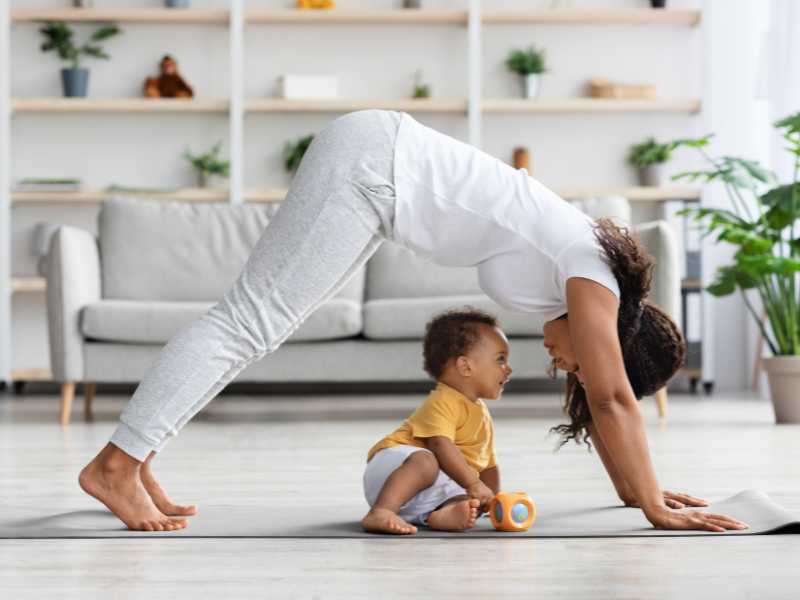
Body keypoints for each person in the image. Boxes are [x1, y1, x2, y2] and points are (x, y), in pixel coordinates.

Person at [79, 109, 748, 533]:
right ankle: (116, 465)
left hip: (379, 179)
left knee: (256, 327)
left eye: (567, 366)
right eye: (572, 360)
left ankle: (136, 462)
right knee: (248, 324)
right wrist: (658, 510)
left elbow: (597, 404)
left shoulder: (582, 286)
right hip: (374, 168)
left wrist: (642, 492)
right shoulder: (591, 276)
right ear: (615, 340)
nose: (558, 362)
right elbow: (610, 397)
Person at [362, 309, 509, 535]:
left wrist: (492, 499)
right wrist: (474, 485)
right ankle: (381, 511)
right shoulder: (443, 400)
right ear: (466, 366)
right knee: (427, 461)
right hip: (393, 469)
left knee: (467, 501)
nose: (508, 370)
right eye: (500, 359)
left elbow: (488, 464)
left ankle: (438, 515)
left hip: (422, 489)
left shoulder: (481, 413)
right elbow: (440, 445)